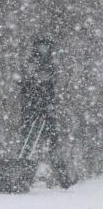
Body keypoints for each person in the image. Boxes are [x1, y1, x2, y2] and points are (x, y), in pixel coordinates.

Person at [18, 34, 74, 189]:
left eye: (46, 46)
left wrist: (49, 106)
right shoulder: (31, 63)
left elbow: (53, 87)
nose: (44, 49)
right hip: (32, 110)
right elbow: (27, 85)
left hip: (48, 110)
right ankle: (22, 178)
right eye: (41, 46)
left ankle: (64, 180)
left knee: (53, 144)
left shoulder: (52, 64)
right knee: (27, 146)